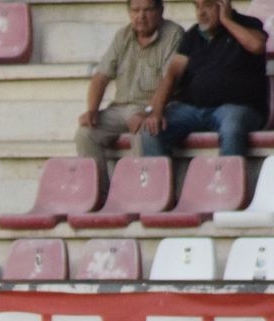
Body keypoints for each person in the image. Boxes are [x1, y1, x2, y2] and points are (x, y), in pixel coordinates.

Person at [76, 0, 185, 194]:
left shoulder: (174, 34)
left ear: (160, 10)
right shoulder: (123, 35)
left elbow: (170, 79)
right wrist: (92, 109)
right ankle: (97, 195)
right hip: (119, 108)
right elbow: (101, 76)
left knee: (143, 131)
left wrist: (149, 112)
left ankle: (140, 193)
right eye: (135, 10)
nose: (140, 16)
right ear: (128, 12)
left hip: (153, 106)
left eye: (147, 10)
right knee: (85, 134)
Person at [141, 0, 269, 158]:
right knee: (151, 130)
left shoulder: (248, 24)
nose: (201, 13)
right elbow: (172, 74)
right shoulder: (193, 36)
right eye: (197, 6)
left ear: (224, 5)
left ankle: (227, 180)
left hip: (237, 108)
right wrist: (157, 110)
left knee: (231, 128)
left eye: (207, 5)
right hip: (193, 110)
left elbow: (256, 45)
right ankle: (160, 181)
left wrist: (227, 20)